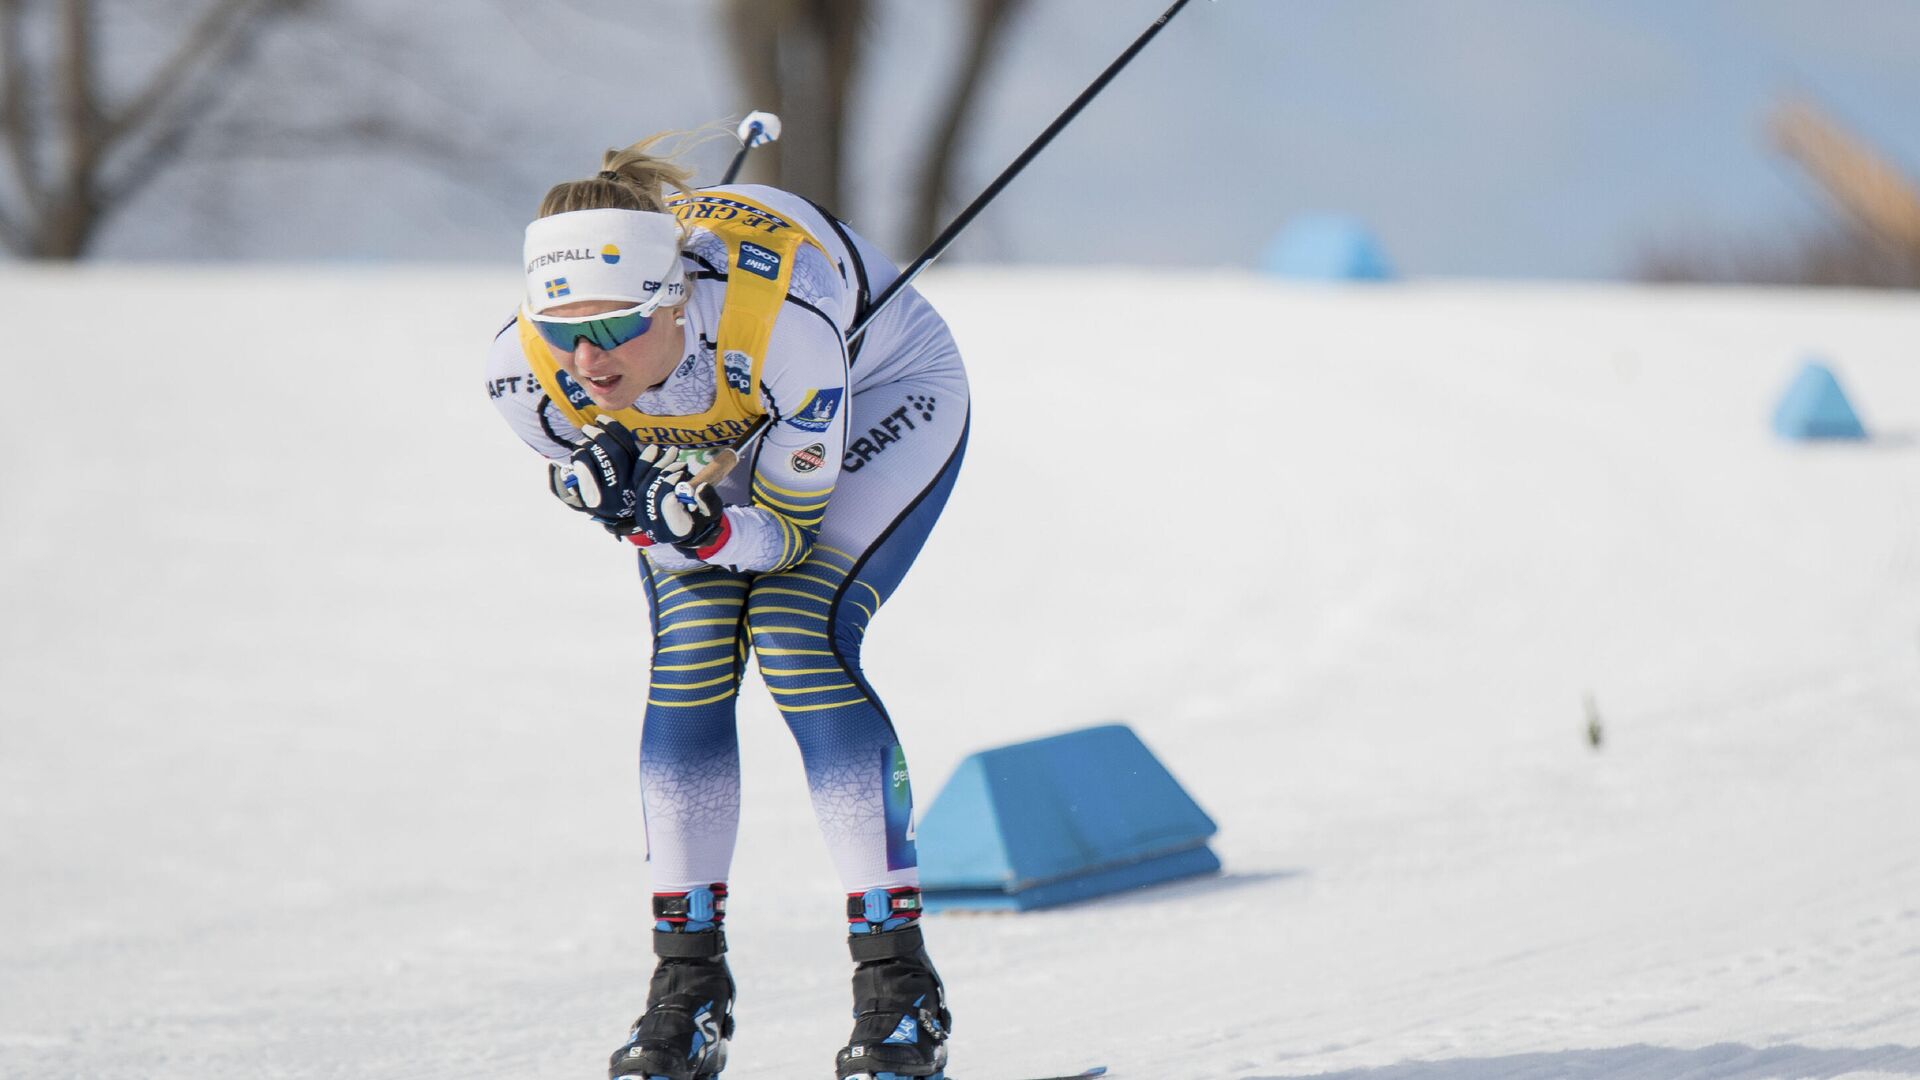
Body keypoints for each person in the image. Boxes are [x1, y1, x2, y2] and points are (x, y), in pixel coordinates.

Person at [485, 131, 969, 1080]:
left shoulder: (778, 326)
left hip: (876, 395)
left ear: (671, 299)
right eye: (564, 330)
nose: (589, 360)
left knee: (798, 635)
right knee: (692, 658)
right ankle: (688, 989)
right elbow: (612, 491)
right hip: (724, 424)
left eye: (619, 329)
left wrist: (700, 530)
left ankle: (900, 989)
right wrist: (631, 510)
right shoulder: (523, 375)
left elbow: (784, 538)